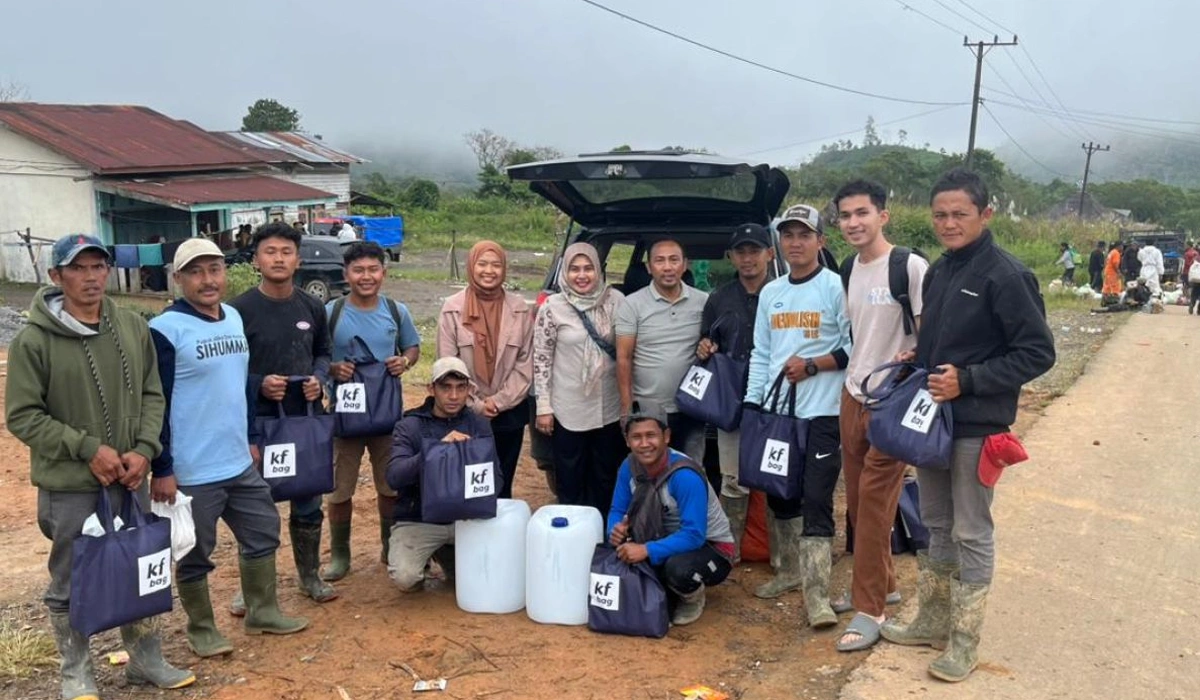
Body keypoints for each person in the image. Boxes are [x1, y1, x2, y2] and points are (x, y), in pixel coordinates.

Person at [881, 169, 1055, 683]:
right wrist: (922, 354)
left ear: (985, 214)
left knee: (972, 530)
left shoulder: (1007, 275)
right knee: (936, 521)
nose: (949, 223)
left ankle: (964, 640)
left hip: (978, 425)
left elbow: (1038, 352)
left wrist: (971, 379)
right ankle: (932, 620)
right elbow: (946, 337)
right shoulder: (941, 270)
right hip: (933, 418)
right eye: (940, 214)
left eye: (960, 213)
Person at [6, 234, 194, 699]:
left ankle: (145, 660)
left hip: (132, 478)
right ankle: (76, 671)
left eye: (98, 267)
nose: (90, 278)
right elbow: (23, 416)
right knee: (73, 576)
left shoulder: (131, 326)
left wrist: (145, 449)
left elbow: (154, 394)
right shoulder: (34, 341)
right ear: (56, 276)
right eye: (78, 268)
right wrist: (87, 448)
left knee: (141, 565)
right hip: (71, 484)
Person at [149, 239, 307, 659]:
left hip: (238, 460)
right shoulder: (166, 329)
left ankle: (262, 611)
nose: (207, 280)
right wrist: (161, 465)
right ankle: (201, 629)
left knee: (262, 532)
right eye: (196, 272)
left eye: (214, 270)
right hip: (192, 468)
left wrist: (253, 438)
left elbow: (240, 386)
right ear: (178, 278)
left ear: (226, 272)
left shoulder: (233, 317)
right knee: (195, 552)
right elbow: (155, 401)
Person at [830, 180, 930, 652]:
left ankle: (869, 608)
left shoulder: (908, 267)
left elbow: (931, 335)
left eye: (862, 213)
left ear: (883, 216)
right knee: (857, 504)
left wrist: (916, 361)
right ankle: (885, 580)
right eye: (846, 215)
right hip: (852, 395)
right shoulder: (849, 267)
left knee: (872, 505)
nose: (853, 222)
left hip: (892, 400)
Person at [745, 204, 852, 630]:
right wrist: (753, 403)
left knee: (816, 500)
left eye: (804, 235)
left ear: (820, 242)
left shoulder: (835, 288)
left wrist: (813, 366)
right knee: (780, 497)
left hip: (823, 415)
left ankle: (817, 596)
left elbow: (853, 347)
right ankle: (788, 572)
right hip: (778, 417)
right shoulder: (772, 293)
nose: (795, 242)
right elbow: (762, 353)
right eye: (788, 235)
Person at [229, 222, 338, 612]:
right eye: (270, 251)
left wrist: (319, 379)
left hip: (303, 422)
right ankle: (254, 587)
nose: (279, 258)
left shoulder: (311, 307)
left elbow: (324, 351)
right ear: (256, 259)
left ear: (298, 258)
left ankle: (310, 576)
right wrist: (258, 383)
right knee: (256, 507)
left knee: (307, 500)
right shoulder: (238, 311)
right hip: (258, 426)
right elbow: (228, 370)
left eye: (286, 251)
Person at [322, 241, 422, 581]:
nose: (366, 277)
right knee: (338, 489)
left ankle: (387, 545)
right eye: (358, 270)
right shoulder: (330, 312)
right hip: (343, 418)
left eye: (373, 269)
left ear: (384, 272)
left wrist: (404, 361)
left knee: (390, 486)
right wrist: (333, 369)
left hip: (386, 416)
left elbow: (413, 346)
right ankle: (340, 555)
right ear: (346, 274)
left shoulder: (396, 311)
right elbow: (316, 356)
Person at [606, 401, 734, 626]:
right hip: (662, 536)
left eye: (651, 435)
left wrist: (645, 550)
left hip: (711, 547)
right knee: (615, 554)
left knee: (676, 570)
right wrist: (614, 530)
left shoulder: (685, 475)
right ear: (627, 441)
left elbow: (694, 535)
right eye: (636, 437)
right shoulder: (629, 466)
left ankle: (691, 596)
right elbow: (617, 509)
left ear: (666, 436)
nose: (644, 444)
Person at [693, 223, 776, 559]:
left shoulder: (785, 292)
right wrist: (704, 348)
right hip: (732, 404)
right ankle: (732, 551)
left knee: (775, 478)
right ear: (731, 257)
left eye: (754, 250)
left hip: (777, 403)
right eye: (741, 251)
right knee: (732, 478)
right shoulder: (720, 299)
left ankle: (779, 555)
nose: (748, 258)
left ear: (770, 254)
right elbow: (706, 341)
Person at [385, 357, 494, 591]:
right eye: (446, 387)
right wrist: (435, 452)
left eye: (460, 388)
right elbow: (394, 477)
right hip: (420, 518)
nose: (453, 396)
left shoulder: (479, 425)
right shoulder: (409, 426)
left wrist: (472, 455)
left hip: (466, 519)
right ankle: (426, 554)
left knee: (484, 575)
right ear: (431, 389)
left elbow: (497, 479)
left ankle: (447, 553)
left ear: (469, 390)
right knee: (406, 579)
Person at [532, 242, 625, 512]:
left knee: (606, 476)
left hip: (608, 406)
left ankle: (603, 538)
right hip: (567, 409)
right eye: (574, 269)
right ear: (565, 272)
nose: (581, 275)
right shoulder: (552, 306)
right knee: (570, 478)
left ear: (599, 270)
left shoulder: (616, 301)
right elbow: (541, 358)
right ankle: (573, 536)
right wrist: (544, 407)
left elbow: (629, 350)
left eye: (588, 268)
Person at [437, 240, 533, 500]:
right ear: (471, 266)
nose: (489, 271)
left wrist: (499, 402)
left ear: (504, 269)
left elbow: (526, 362)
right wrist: (477, 404)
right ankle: (468, 537)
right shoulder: (452, 308)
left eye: (496, 264)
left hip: (508, 412)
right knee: (467, 481)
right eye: (482, 264)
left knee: (503, 481)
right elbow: (448, 364)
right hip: (464, 410)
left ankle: (499, 536)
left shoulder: (520, 308)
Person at [615, 239, 709, 464]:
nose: (667, 267)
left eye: (674, 260)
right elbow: (624, 357)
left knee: (690, 469)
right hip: (648, 407)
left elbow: (713, 344)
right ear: (649, 267)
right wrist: (627, 407)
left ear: (685, 264)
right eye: (660, 260)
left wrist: (707, 346)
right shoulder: (631, 305)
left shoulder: (703, 302)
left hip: (692, 407)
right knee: (649, 471)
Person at [1185, 241, 1200, 314]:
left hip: (1196, 277)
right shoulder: (1195, 254)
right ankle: (1199, 309)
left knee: (1195, 291)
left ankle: (1192, 304)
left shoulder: (1196, 256)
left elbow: (1189, 264)